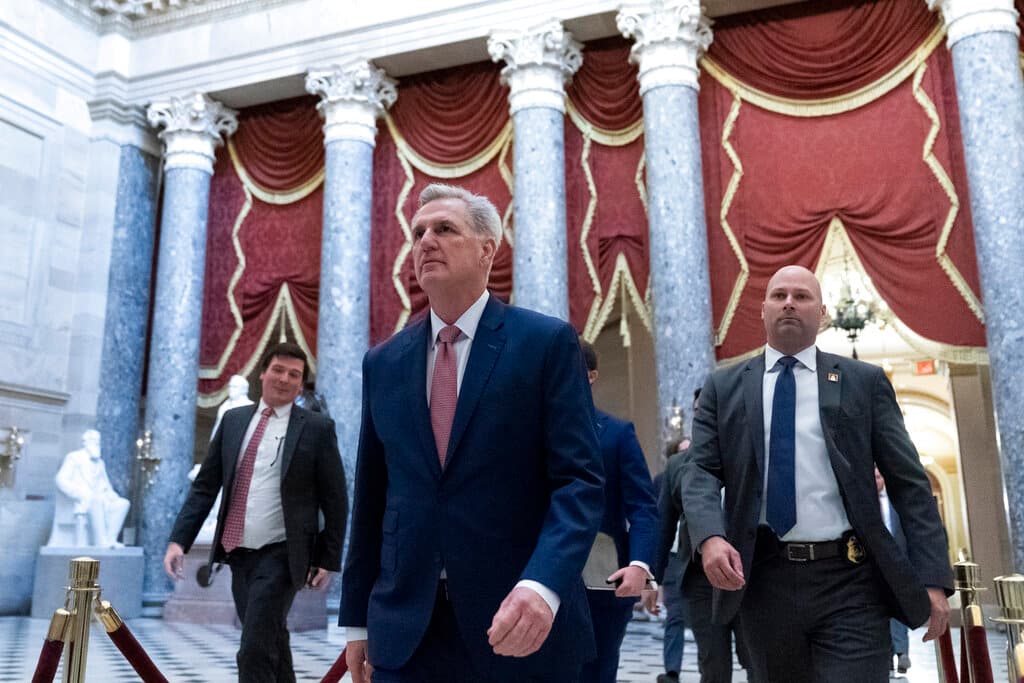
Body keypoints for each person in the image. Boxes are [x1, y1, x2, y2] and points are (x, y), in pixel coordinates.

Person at [340, 183, 604, 683]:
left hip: (520, 621)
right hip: (407, 629)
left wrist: (543, 585)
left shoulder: (544, 342)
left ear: (487, 249)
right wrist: (357, 619)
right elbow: (373, 498)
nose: (425, 241)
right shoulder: (384, 362)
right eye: (417, 232)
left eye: (444, 229)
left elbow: (579, 483)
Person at [679, 264, 953, 682]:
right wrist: (710, 537)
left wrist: (933, 578)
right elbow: (699, 469)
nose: (789, 303)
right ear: (763, 309)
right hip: (763, 579)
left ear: (822, 313)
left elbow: (909, 483)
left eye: (802, 296)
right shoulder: (725, 387)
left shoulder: (863, 382)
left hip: (850, 579)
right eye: (779, 295)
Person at [164, 342, 348, 683]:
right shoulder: (234, 420)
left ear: (301, 385)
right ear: (262, 373)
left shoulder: (317, 428)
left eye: (295, 375)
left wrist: (329, 557)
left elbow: (335, 498)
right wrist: (179, 540)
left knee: (252, 649)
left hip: (283, 555)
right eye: (278, 370)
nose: (284, 379)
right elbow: (206, 486)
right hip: (238, 554)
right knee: (271, 637)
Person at [578, 340, 659, 683]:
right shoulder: (527, 432)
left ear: (591, 376)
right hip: (535, 575)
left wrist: (640, 566)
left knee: (597, 671)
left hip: (603, 578)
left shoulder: (617, 435)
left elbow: (642, 507)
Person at [653, 391, 748, 683]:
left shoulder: (750, 454)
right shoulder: (678, 465)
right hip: (700, 578)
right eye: (700, 410)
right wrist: (652, 580)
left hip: (752, 575)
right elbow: (663, 526)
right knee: (713, 664)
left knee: (760, 660)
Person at [48, 429, 129, 548]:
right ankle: (101, 542)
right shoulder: (74, 458)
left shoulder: (100, 463)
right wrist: (79, 493)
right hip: (84, 498)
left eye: (98, 441)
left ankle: (110, 539)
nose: (96, 443)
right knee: (95, 499)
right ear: (85, 442)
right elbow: (60, 479)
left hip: (101, 499)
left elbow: (106, 485)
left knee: (123, 503)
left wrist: (112, 496)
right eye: (93, 440)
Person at [876, 467, 911, 675]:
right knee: (882, 610)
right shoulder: (866, 503)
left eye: (880, 476)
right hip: (875, 566)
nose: (877, 480)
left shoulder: (895, 503)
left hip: (899, 564)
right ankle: (888, 655)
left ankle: (901, 652)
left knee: (899, 609)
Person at [211, 374, 254, 440]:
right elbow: (217, 427)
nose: (231, 389)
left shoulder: (250, 407)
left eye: (234, 387)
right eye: (230, 386)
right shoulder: (224, 406)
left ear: (243, 389)